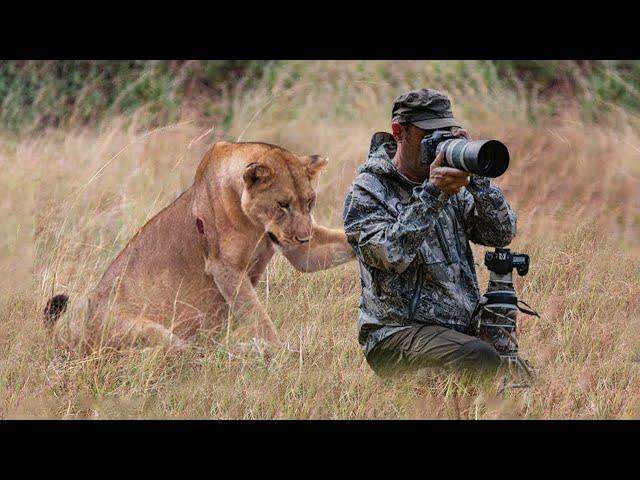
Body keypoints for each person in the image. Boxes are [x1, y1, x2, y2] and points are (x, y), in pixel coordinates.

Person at [342, 88, 517, 377]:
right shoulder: (368, 191)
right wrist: (433, 193)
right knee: (479, 358)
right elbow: (391, 255)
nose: (438, 145)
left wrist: (478, 181)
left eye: (445, 135)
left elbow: (502, 232)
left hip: (456, 331)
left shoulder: (451, 185)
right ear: (399, 132)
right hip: (394, 335)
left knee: (516, 373)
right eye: (429, 136)